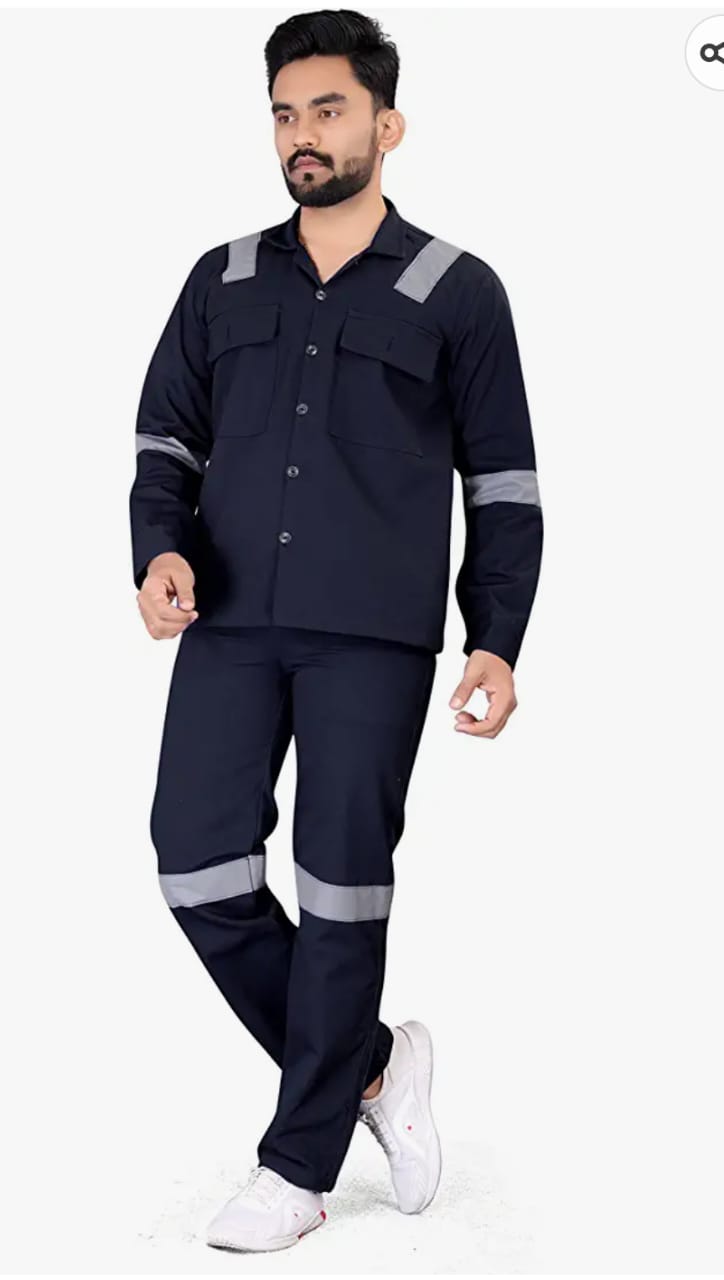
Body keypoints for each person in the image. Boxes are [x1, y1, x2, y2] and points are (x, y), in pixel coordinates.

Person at [128, 6, 543, 1254]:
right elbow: (165, 441)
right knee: (195, 861)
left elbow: (503, 483)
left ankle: (297, 1165)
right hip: (230, 618)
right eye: (284, 113)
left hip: (371, 635)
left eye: (328, 109)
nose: (301, 135)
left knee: (340, 887)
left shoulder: (456, 290)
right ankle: (369, 1064)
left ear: (386, 124)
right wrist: (158, 549)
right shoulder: (222, 278)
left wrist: (496, 634)